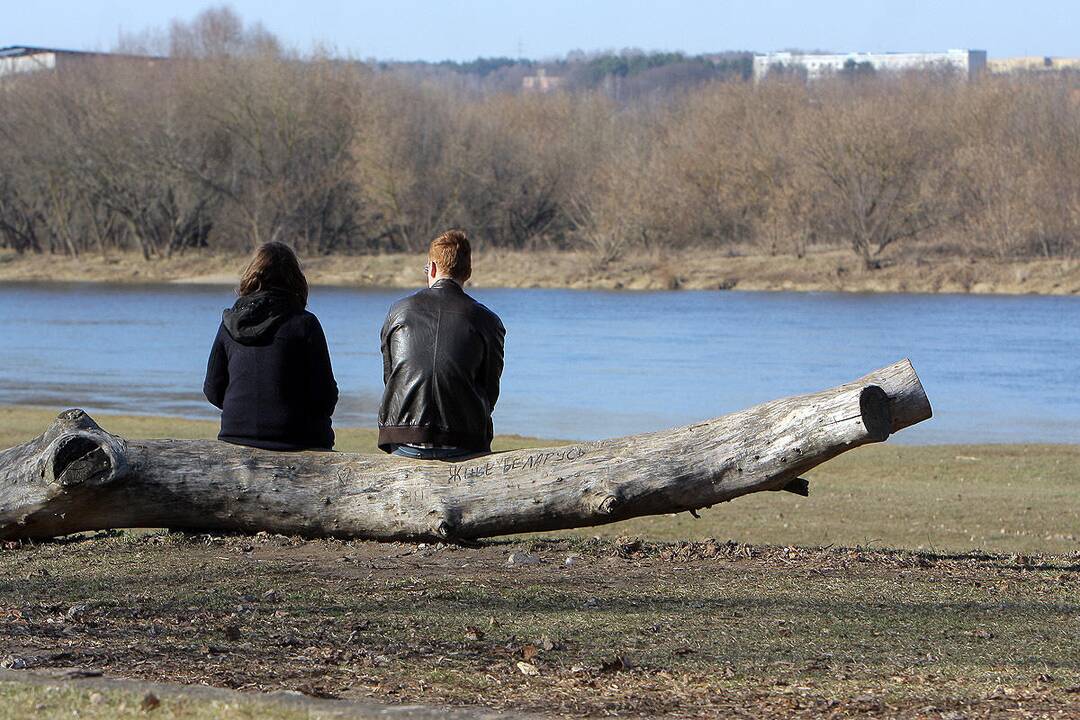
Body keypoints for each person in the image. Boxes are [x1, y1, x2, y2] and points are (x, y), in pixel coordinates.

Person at [378, 229, 505, 460]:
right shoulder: (488, 321)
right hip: (464, 442)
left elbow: (392, 377)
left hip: (403, 438)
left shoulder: (398, 311)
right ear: (467, 272)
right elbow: (489, 391)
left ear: (433, 268)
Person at [203, 242, 338, 451]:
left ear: (251, 276)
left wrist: (243, 411)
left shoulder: (230, 323)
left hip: (235, 434)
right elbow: (325, 396)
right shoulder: (304, 323)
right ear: (296, 280)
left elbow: (212, 389)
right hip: (297, 439)